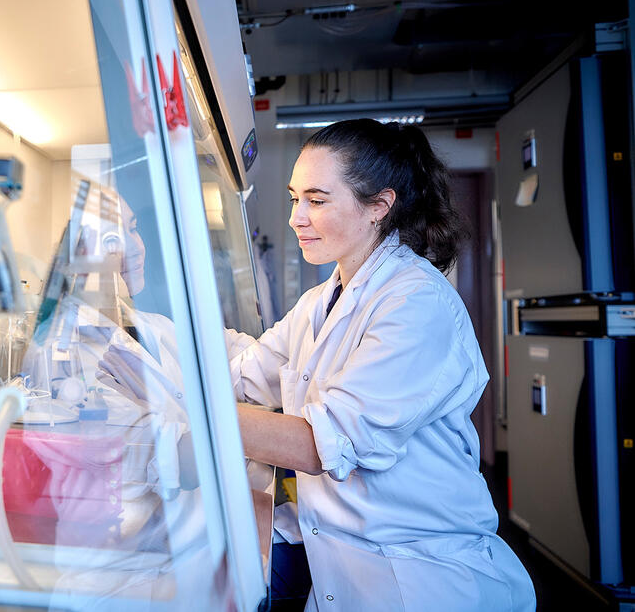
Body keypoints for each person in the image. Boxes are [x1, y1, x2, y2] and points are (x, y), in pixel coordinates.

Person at [229, 119, 536, 611]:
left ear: (379, 205)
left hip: (416, 572)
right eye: (294, 199)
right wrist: (142, 337)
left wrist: (186, 407)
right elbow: (247, 374)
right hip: (340, 549)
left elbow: (319, 444)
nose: (296, 218)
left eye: (317, 200)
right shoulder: (320, 301)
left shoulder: (416, 302)